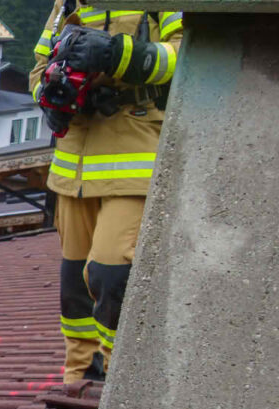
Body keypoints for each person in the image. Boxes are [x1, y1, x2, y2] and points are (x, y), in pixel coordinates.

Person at [31, 2, 182, 382]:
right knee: (73, 286)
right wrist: (51, 93)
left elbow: (190, 56)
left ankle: (122, 381)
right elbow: (37, 69)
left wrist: (119, 56)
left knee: (110, 273)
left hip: (135, 154)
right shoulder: (68, 3)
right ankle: (80, 375)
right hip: (73, 165)